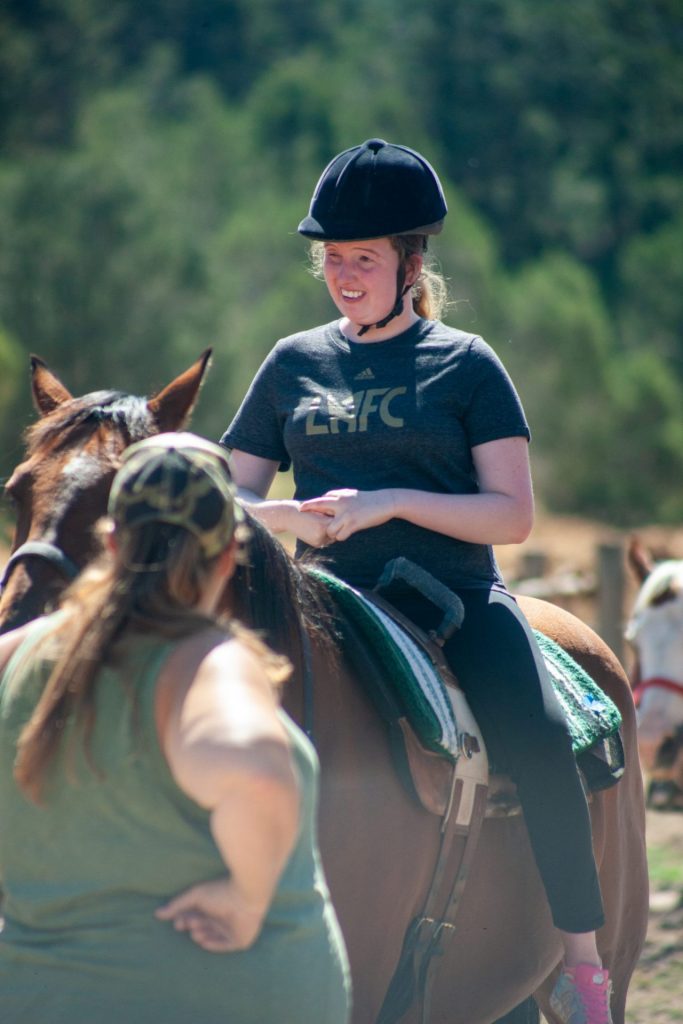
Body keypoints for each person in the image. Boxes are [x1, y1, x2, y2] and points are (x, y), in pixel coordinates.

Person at [220, 138, 613, 1024]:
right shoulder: (290, 364)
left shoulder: (465, 364)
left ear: (410, 263)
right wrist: (288, 517)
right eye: (332, 258)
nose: (342, 276)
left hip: (455, 600)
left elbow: (511, 515)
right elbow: (229, 497)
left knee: (541, 737)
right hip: (322, 600)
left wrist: (388, 502)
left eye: (362, 259)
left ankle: (580, 966)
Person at [0, 433, 351, 1024]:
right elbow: (256, 773)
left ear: (112, 541)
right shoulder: (207, 665)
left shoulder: (14, 656)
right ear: (229, 554)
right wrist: (246, 900)